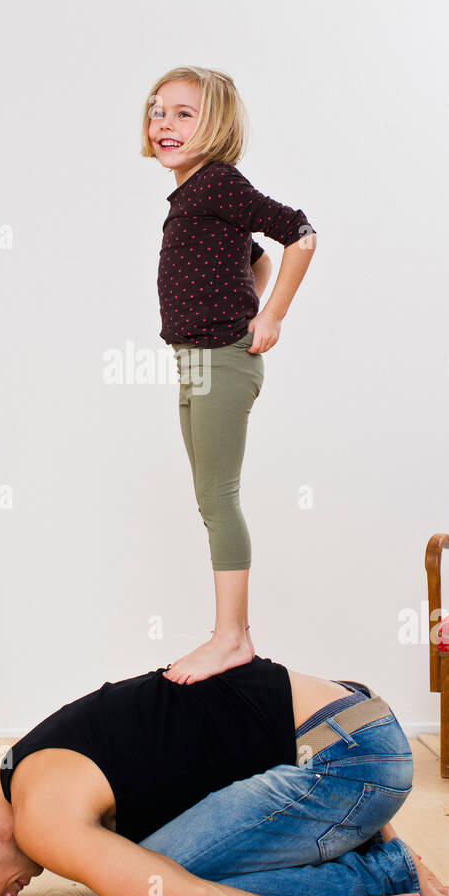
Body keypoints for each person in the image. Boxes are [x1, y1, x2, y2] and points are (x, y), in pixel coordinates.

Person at [0, 657, 449, 896]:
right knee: (143, 875)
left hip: (350, 757)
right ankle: (375, 843)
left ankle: (385, 873)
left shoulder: (41, 814)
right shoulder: (30, 764)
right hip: (354, 732)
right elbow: (228, 745)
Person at [145, 66, 317, 685]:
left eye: (184, 114)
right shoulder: (190, 196)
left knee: (218, 498)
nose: (165, 124)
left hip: (221, 358)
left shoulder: (217, 182)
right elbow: (259, 257)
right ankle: (230, 634)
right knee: (207, 497)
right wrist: (250, 298)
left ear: (215, 124)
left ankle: (231, 639)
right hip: (191, 360)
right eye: (158, 111)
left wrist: (268, 318)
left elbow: (299, 235)